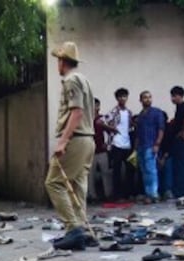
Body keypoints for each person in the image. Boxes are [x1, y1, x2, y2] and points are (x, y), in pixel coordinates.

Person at [43, 42, 96, 246]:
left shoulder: (71, 81)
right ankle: (82, 228)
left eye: (58, 60)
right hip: (88, 139)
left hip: (76, 138)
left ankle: (73, 228)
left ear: (62, 61)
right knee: (77, 184)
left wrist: (63, 141)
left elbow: (77, 112)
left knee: (53, 182)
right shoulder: (84, 80)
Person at [133, 91, 166, 203]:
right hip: (141, 146)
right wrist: (136, 148)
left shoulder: (157, 113)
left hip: (151, 145)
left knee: (151, 170)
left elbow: (161, 129)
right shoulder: (141, 115)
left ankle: (154, 194)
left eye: (149, 97)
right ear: (141, 100)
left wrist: (157, 144)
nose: (147, 99)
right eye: (145, 98)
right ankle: (148, 194)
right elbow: (138, 133)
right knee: (144, 171)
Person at [165, 85, 184, 206]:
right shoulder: (180, 107)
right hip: (182, 140)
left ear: (179, 96)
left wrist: (183, 131)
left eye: (173, 96)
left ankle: (181, 192)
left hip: (181, 141)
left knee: (181, 166)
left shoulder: (183, 106)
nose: (172, 98)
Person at [106, 88, 134, 201]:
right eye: (120, 97)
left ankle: (128, 194)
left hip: (127, 144)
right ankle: (116, 195)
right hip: (117, 143)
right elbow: (100, 122)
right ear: (117, 98)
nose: (123, 99)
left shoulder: (129, 112)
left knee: (130, 169)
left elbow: (130, 126)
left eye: (124, 96)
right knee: (116, 170)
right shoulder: (114, 111)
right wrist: (112, 129)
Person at [89, 98, 113, 203]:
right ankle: (91, 196)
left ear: (99, 107)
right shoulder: (86, 120)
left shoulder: (103, 119)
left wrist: (108, 144)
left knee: (106, 173)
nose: (94, 108)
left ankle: (108, 195)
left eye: (96, 106)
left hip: (102, 151)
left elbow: (111, 132)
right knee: (90, 175)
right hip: (90, 152)